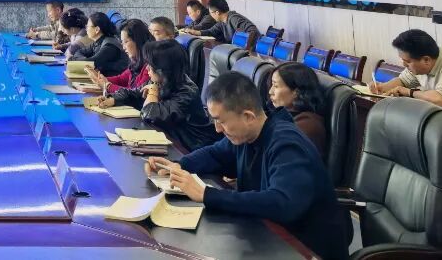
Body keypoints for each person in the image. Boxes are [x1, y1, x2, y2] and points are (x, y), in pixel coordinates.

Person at [147, 72, 350, 260]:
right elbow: (215, 154)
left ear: (248, 116)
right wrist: (178, 165)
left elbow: (282, 203)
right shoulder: (247, 134)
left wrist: (207, 195)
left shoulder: (287, 144)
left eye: (220, 121)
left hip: (303, 248)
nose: (217, 129)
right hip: (265, 234)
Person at [91, 39, 217, 151]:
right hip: (169, 140)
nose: (147, 69)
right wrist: (112, 99)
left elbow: (151, 115)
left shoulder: (187, 92)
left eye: (150, 66)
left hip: (190, 148)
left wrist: (152, 93)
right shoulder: (160, 81)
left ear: (163, 69)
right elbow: (133, 93)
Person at [370, 28, 442, 136]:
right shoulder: (422, 61)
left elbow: (440, 99)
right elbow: (403, 81)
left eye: (407, 61)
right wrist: (382, 87)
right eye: (402, 60)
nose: (404, 64)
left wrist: (409, 92)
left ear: (426, 60)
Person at [269, 62, 327, 159]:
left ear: (296, 92)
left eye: (276, 86)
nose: (270, 92)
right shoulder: (284, 115)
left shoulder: (307, 126)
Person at [86, 18, 152, 92]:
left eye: (126, 42)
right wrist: (100, 79)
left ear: (138, 40)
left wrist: (108, 86)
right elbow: (121, 79)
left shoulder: (150, 66)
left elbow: (135, 93)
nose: (123, 47)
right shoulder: (135, 61)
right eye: (122, 42)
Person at [185, 0, 260, 43]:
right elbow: (211, 31)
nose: (210, 15)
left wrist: (246, 47)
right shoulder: (222, 22)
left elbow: (253, 30)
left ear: (217, 13)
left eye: (211, 13)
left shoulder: (233, 18)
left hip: (252, 52)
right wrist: (195, 32)